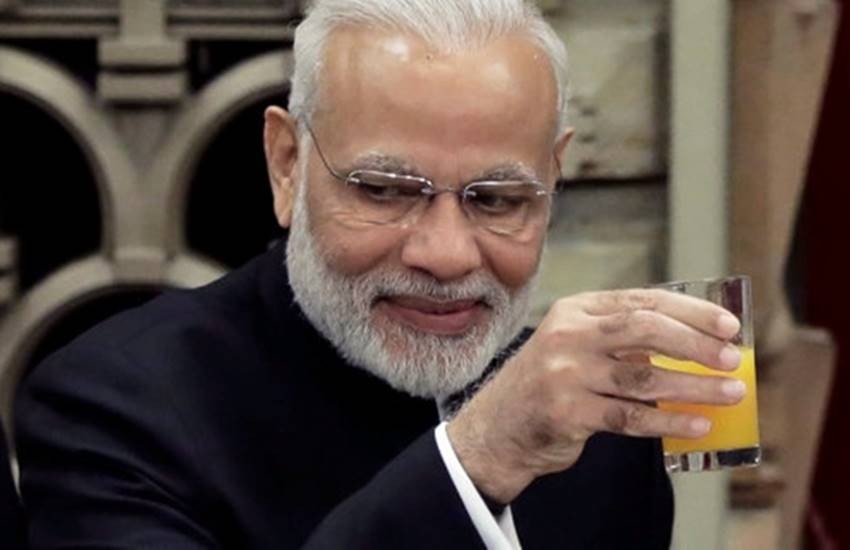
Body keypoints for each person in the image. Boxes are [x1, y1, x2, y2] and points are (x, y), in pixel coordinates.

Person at [15, 0, 746, 548]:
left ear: (553, 178)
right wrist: (480, 458)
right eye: (386, 191)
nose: (447, 255)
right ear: (287, 164)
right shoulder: (113, 407)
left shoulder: (599, 433)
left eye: (497, 199)